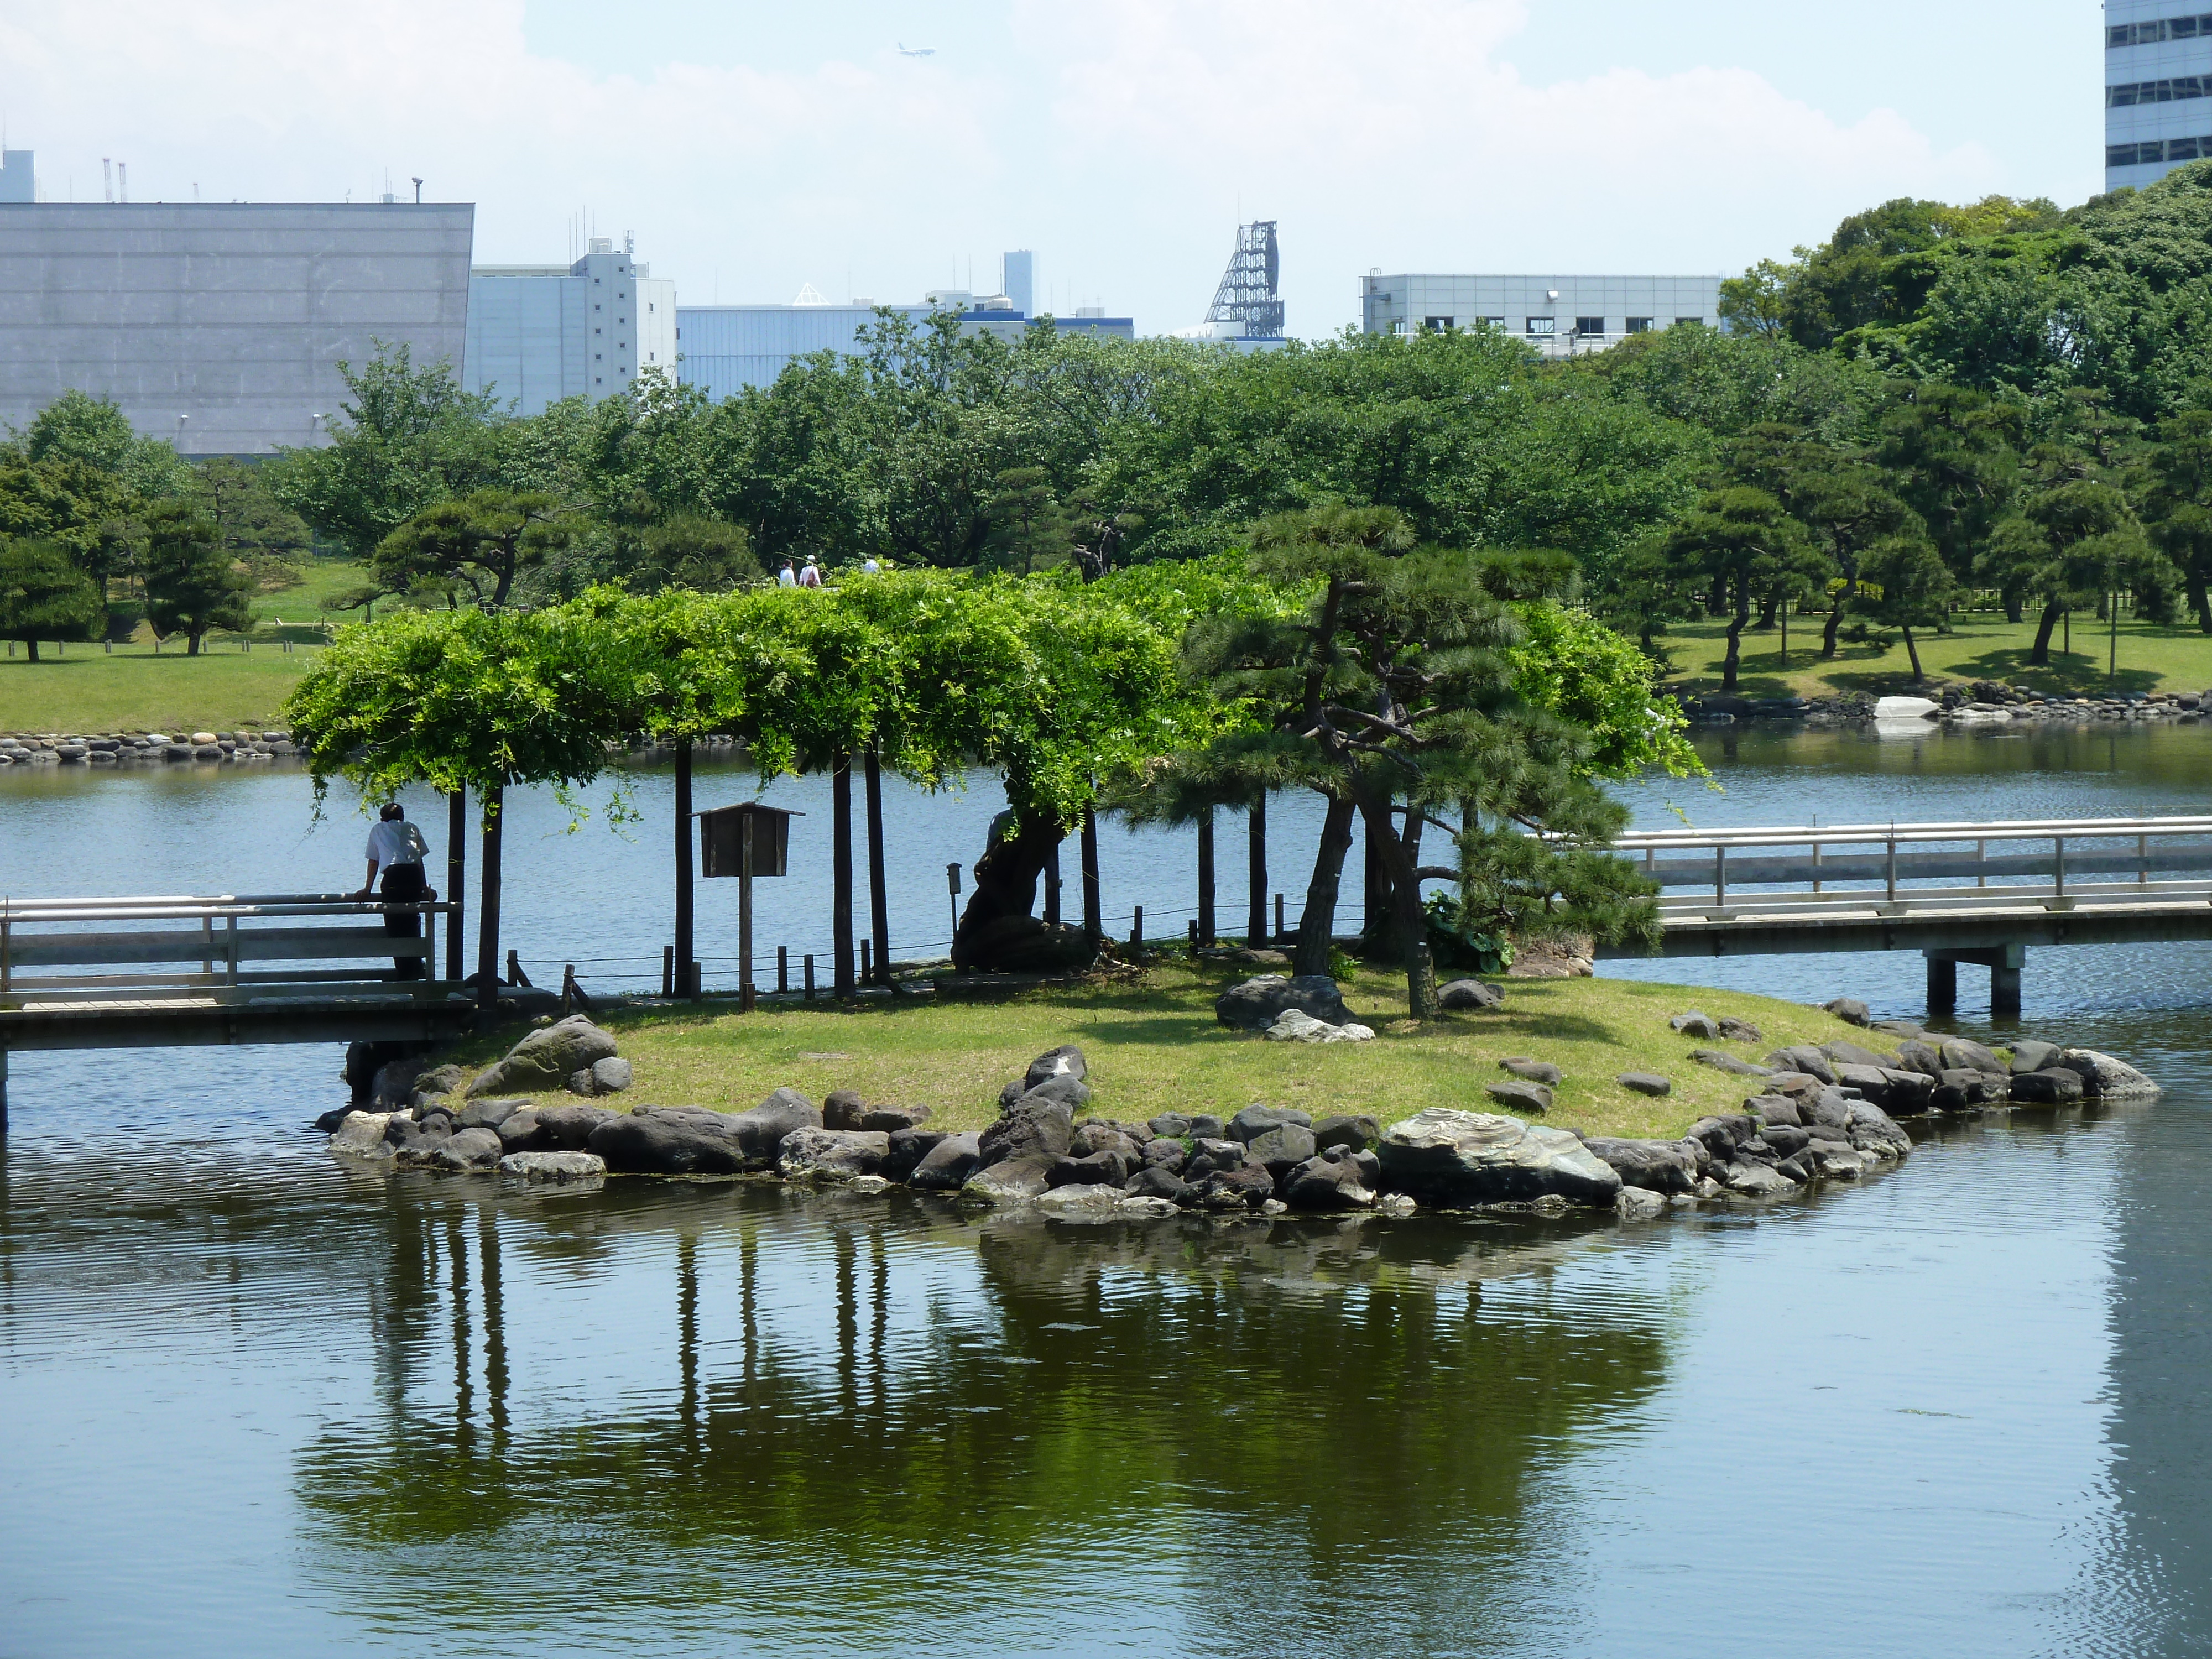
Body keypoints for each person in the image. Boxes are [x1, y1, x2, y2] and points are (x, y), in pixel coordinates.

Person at [354, 802, 431, 979]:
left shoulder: (378, 829)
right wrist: (424, 888)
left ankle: (404, 972)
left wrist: (367, 889)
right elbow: (419, 861)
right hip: (413, 878)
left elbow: (374, 861)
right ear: (403, 817)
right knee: (413, 923)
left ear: (382, 818)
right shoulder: (412, 828)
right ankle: (415, 969)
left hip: (394, 877)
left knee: (395, 926)